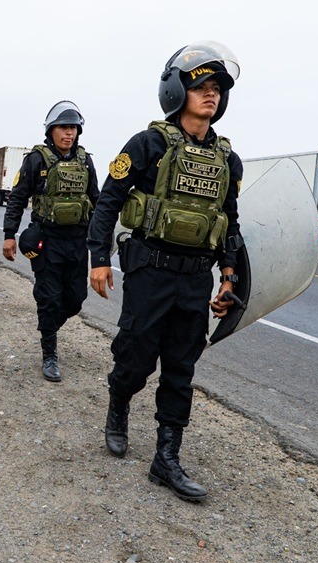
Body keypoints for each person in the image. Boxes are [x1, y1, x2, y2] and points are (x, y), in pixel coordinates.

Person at [86, 41, 244, 502]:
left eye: (217, 89)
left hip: (195, 277)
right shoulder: (147, 144)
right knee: (135, 356)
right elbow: (109, 202)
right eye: (202, 87)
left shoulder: (227, 161)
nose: (211, 95)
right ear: (178, 92)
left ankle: (166, 458)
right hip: (149, 271)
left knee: (181, 367)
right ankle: (119, 406)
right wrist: (99, 259)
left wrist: (229, 276)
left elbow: (229, 223)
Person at [2, 100, 100, 382]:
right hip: (48, 240)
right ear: (51, 131)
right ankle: (49, 354)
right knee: (49, 299)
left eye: (73, 128)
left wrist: (103, 237)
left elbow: (97, 199)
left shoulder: (85, 160)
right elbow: (18, 198)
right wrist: (9, 235)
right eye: (63, 128)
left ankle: (49, 328)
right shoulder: (36, 159)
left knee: (76, 300)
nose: (68, 133)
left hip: (78, 241)